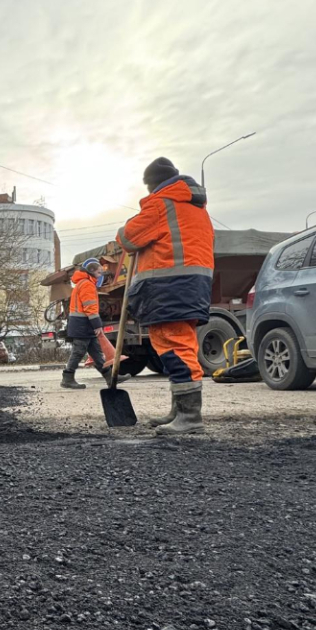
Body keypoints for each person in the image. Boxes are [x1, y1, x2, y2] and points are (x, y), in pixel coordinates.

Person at [116, 157, 214, 435]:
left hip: (170, 286)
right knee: (179, 343)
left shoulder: (161, 205)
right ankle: (180, 409)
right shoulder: (196, 209)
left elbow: (127, 238)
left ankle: (190, 416)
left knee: (174, 345)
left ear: (151, 185)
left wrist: (130, 224)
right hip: (192, 286)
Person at [61, 259, 128, 389]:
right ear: (91, 272)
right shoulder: (87, 285)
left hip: (81, 323)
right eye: (99, 272)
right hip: (83, 324)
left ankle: (110, 378)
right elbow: (90, 307)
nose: (101, 275)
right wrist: (97, 325)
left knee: (97, 353)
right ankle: (67, 378)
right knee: (78, 352)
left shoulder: (83, 283)